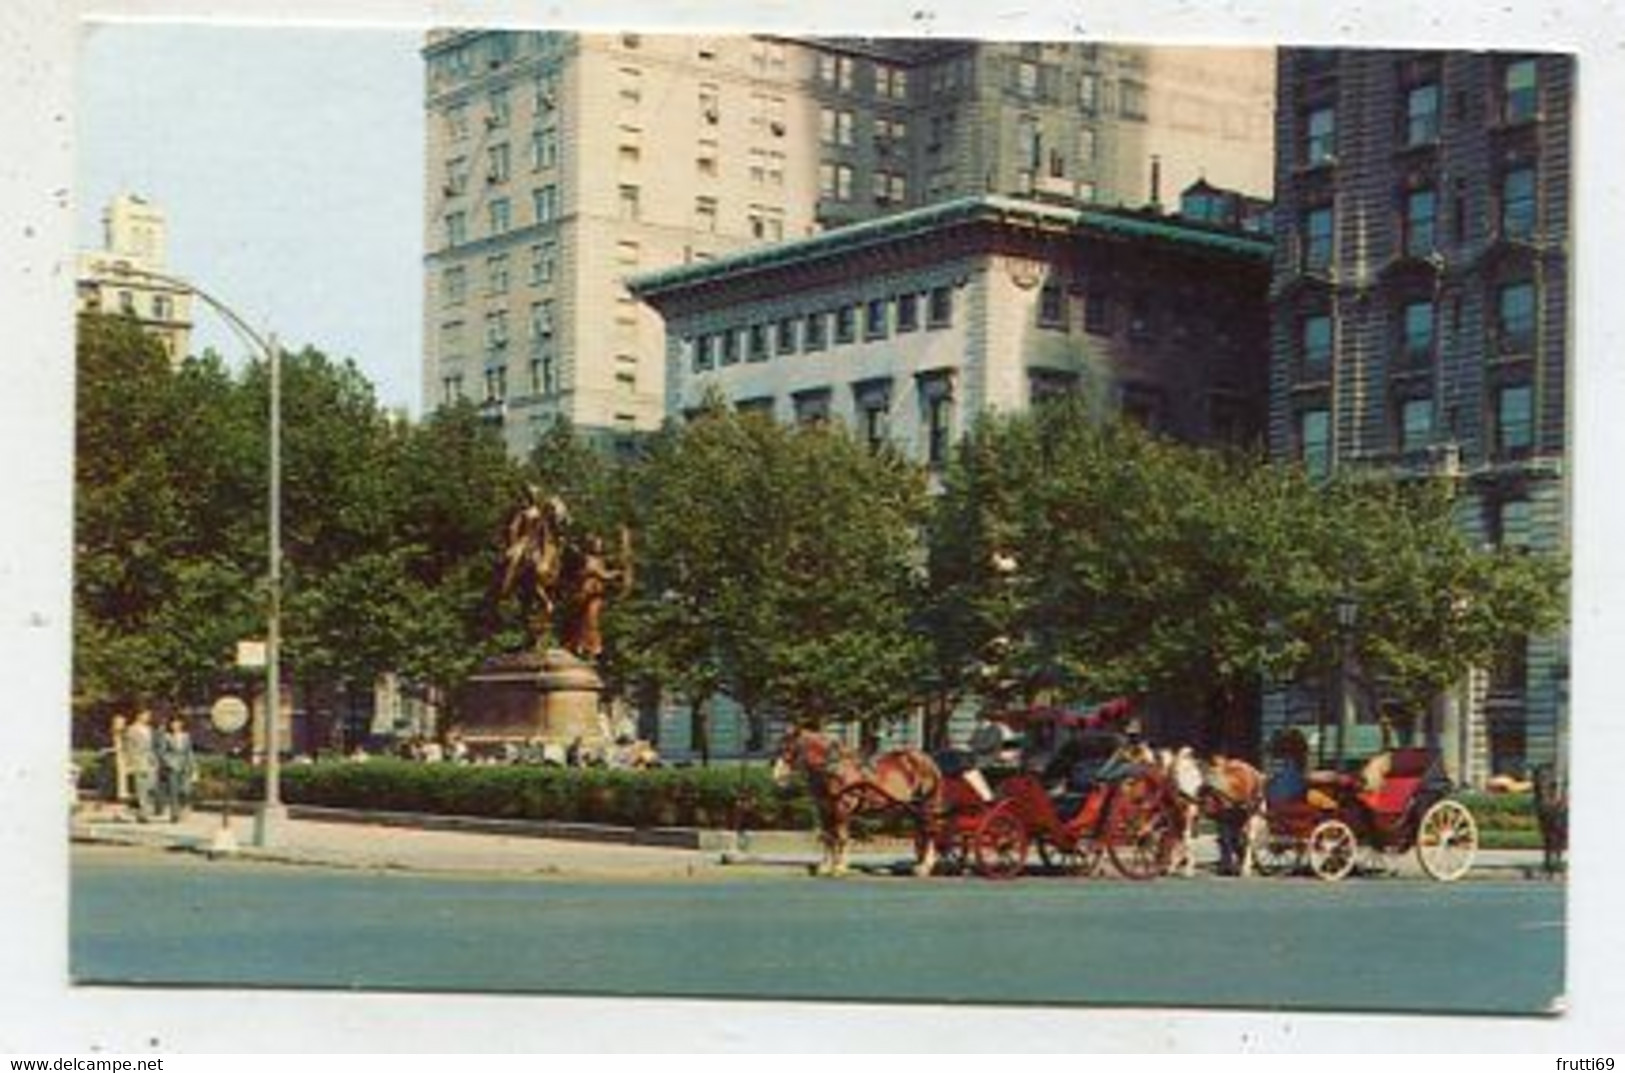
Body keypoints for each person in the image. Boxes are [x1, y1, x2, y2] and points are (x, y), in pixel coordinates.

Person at [155, 716, 197, 822]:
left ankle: (183, 809)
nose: (175, 726)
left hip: (185, 766)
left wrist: (192, 765)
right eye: (173, 724)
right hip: (172, 766)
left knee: (185, 790)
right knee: (174, 791)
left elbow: (189, 752)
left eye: (178, 723)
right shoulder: (167, 737)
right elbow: (162, 752)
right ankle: (174, 814)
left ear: (181, 724)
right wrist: (169, 763)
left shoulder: (186, 736)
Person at [122, 710, 158, 823]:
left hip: (150, 761)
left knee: (151, 787)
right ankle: (143, 815)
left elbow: (151, 747)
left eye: (149, 715)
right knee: (141, 789)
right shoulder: (131, 730)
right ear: (138, 715)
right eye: (145, 715)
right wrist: (131, 763)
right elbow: (128, 748)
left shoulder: (149, 729)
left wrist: (154, 760)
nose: (148, 717)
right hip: (138, 761)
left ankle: (144, 811)